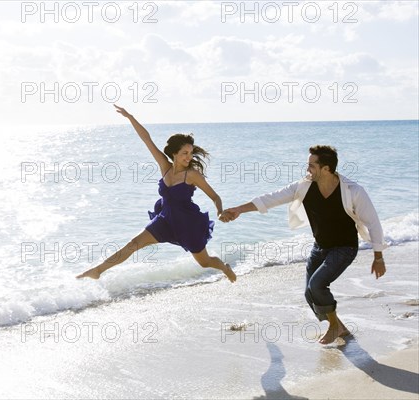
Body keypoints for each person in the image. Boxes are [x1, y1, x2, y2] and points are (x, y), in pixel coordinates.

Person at [220, 145, 386, 344]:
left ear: (326, 169)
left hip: (345, 248)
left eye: (311, 165)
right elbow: (271, 198)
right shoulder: (304, 186)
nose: (307, 169)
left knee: (317, 285)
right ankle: (339, 327)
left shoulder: (353, 191)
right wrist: (239, 209)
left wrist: (378, 257)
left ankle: (333, 326)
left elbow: (373, 223)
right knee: (309, 292)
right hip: (320, 246)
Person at [76, 105, 236, 282]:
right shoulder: (165, 167)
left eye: (190, 153)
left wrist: (220, 211)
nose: (189, 157)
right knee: (133, 244)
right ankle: (98, 270)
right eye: (184, 153)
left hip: (188, 224)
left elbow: (215, 196)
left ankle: (223, 266)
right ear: (174, 154)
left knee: (205, 263)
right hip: (165, 220)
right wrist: (130, 117)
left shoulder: (192, 175)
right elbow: (147, 139)